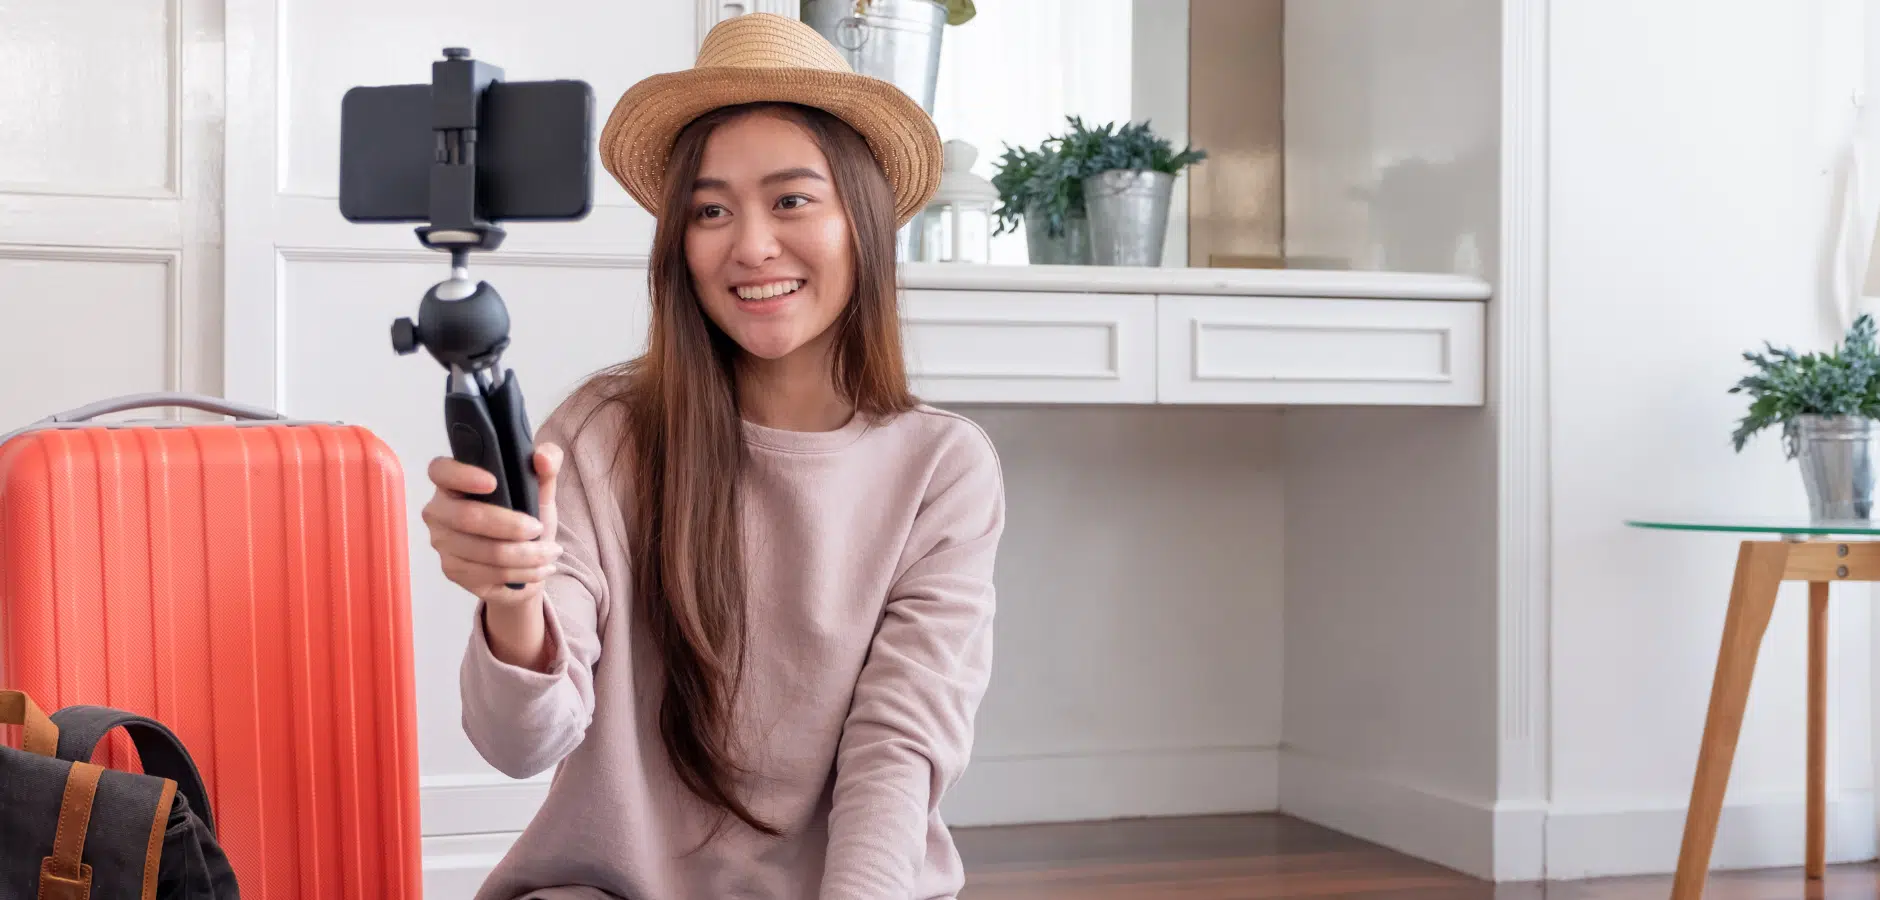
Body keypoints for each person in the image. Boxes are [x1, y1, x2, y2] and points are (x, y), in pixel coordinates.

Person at [418, 12, 1006, 900]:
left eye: (793, 199)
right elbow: (520, 745)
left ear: (863, 219)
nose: (752, 245)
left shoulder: (943, 467)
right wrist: (514, 598)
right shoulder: (602, 432)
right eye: (711, 210)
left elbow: (900, 747)